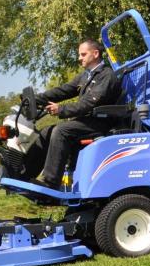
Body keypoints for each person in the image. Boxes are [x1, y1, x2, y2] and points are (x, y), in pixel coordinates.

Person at [32, 38, 123, 188]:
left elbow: (88, 103)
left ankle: (50, 182)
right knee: (46, 132)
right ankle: (28, 175)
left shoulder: (106, 76)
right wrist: (37, 99)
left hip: (100, 122)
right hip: (87, 121)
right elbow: (64, 90)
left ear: (95, 54)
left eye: (83, 54)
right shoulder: (86, 75)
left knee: (61, 131)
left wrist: (61, 109)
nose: (79, 58)